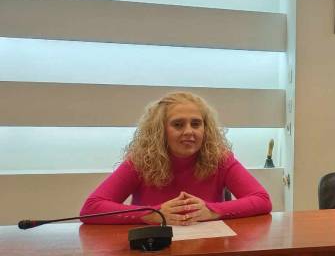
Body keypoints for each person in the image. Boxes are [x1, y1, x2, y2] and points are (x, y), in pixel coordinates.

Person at [81, 91, 271, 225]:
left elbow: (262, 200)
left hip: (208, 248)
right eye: (178, 125)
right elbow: (91, 209)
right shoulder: (140, 161)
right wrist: (153, 214)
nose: (189, 131)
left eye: (196, 124)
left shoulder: (220, 158)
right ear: (160, 130)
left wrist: (212, 211)